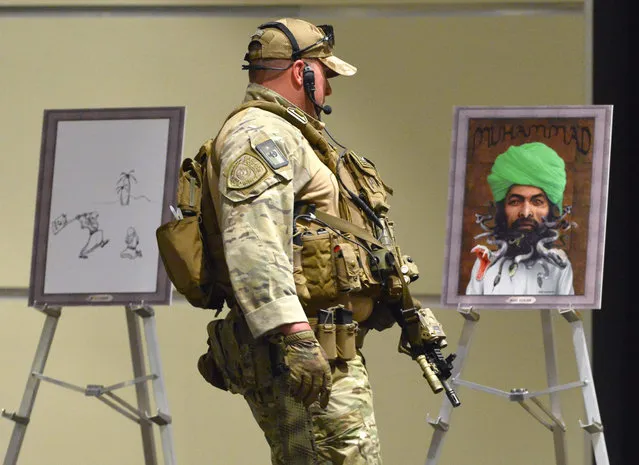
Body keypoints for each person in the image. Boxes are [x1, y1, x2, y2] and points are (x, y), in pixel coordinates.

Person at [194, 18, 447, 464]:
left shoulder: (291, 133)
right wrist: (295, 336)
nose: (328, 89)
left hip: (326, 344)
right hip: (305, 348)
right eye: (324, 74)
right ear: (301, 73)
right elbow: (253, 244)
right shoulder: (260, 135)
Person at [466, 142, 575, 295]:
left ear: (550, 211)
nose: (525, 213)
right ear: (502, 210)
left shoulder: (559, 265)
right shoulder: (484, 264)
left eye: (537, 202)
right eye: (515, 202)